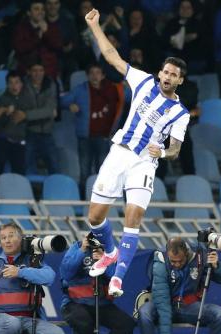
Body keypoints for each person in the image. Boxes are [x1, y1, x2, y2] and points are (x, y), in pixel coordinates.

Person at [82, 8, 191, 297]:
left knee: (133, 217)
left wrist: (164, 152)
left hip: (145, 162)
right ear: (160, 73)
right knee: (94, 218)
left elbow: (176, 149)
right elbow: (111, 57)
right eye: (166, 71)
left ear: (180, 81)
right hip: (119, 153)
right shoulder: (142, 81)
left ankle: (118, 278)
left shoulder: (180, 113)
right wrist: (94, 25)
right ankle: (110, 250)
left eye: (174, 75)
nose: (168, 77)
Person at [138, 237, 221, 334]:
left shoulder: (199, 257)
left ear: (187, 254)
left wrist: (216, 266)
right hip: (164, 305)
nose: (176, 265)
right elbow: (163, 303)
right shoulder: (160, 262)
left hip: (189, 306)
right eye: (173, 261)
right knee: (145, 312)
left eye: (180, 261)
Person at [59, 235, 136, 334]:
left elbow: (115, 276)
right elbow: (66, 273)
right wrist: (82, 250)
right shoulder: (77, 247)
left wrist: (104, 261)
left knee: (126, 323)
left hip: (100, 304)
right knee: (84, 319)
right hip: (74, 302)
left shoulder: (109, 251)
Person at [61, 63, 124, 184]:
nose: (95, 76)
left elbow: (129, 97)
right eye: (92, 73)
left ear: (103, 75)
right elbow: (62, 100)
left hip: (103, 137)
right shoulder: (80, 89)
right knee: (85, 172)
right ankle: (84, 199)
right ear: (87, 75)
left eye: (98, 73)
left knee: (103, 171)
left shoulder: (112, 89)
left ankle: (100, 200)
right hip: (85, 138)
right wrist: (69, 105)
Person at [0, 71, 28, 195]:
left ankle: (18, 197)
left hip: (20, 140)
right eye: (10, 83)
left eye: (16, 82)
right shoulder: (3, 99)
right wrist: (4, 111)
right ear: (6, 85)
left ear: (21, 84)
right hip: (3, 139)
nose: (14, 86)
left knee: (19, 171)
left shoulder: (27, 98)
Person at [22, 61, 60, 176]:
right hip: (29, 132)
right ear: (29, 72)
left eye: (41, 70)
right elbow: (22, 108)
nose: (38, 74)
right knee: (25, 166)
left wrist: (27, 115)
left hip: (47, 132)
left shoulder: (50, 85)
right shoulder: (22, 86)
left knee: (54, 166)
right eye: (34, 71)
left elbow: (49, 110)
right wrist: (43, 113)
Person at [12, 0, 63, 79]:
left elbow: (58, 46)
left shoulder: (51, 27)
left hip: (48, 72)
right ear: (29, 12)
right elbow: (20, 48)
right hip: (27, 73)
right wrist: (37, 37)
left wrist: (46, 32)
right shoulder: (21, 29)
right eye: (36, 9)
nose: (40, 12)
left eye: (42, 9)